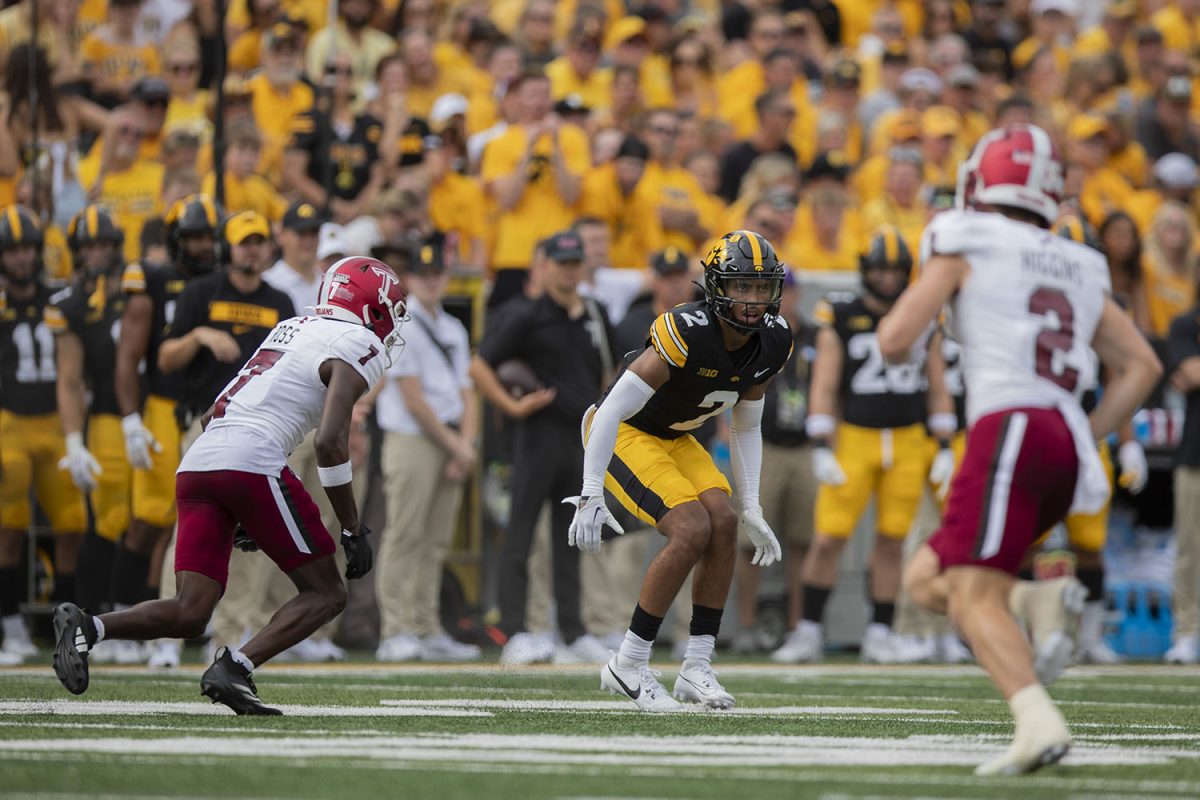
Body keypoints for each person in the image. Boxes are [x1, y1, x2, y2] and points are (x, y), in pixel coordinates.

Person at [877, 123, 1160, 775]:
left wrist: (942, 304)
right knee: (928, 580)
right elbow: (1141, 365)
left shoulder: (963, 235)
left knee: (974, 598)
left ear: (980, 180)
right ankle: (1038, 604)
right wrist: (1082, 434)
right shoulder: (1078, 258)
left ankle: (1036, 721)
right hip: (1059, 441)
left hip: (1008, 427)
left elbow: (894, 340)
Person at [51, 255, 405, 714]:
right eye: (390, 311)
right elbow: (331, 442)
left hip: (200, 459)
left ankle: (87, 628)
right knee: (327, 592)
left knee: (191, 610)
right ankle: (235, 667)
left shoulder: (291, 327)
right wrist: (353, 528)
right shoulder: (356, 340)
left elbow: (210, 412)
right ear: (370, 307)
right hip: (251, 459)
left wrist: (238, 505)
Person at [567, 230, 791, 712]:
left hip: (676, 435)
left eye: (760, 287)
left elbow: (745, 427)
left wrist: (750, 503)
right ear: (715, 287)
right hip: (624, 430)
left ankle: (696, 666)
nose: (752, 299)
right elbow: (608, 411)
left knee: (725, 523)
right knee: (690, 529)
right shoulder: (687, 329)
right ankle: (628, 663)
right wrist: (590, 491)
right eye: (741, 286)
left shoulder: (773, 340)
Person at [775, 227, 945, 665]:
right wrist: (820, 442)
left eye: (895, 270)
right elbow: (825, 382)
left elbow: (937, 382)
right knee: (829, 536)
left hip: (908, 438)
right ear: (866, 270)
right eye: (881, 269)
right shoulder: (842, 312)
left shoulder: (922, 313)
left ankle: (880, 632)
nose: (888, 278)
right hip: (855, 436)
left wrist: (944, 442)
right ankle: (809, 630)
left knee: (892, 540)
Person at [469, 230, 614, 666]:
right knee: (521, 533)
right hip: (537, 435)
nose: (569, 271)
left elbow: (606, 374)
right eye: (562, 263)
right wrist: (510, 407)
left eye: (575, 263)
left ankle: (572, 631)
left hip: (581, 438)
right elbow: (479, 365)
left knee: (573, 536)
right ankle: (514, 631)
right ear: (545, 265)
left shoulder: (595, 313)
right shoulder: (526, 315)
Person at [115, 193, 221, 669]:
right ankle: (121, 613)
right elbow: (129, 355)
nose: (202, 245)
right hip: (163, 406)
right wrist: (130, 417)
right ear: (177, 239)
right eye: (194, 236)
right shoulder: (154, 278)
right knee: (149, 519)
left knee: (183, 524)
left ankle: (165, 617)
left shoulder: (223, 282)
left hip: (206, 408)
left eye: (207, 236)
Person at [375, 243, 481, 663]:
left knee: (434, 541)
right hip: (412, 438)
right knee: (404, 534)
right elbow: (412, 398)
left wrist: (466, 445)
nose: (432, 280)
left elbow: (467, 391)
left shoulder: (453, 326)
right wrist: (458, 445)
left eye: (437, 273)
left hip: (449, 439)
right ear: (412, 280)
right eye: (424, 274)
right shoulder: (402, 325)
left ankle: (425, 625)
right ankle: (395, 630)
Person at [46, 206, 139, 663]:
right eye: (88, 245)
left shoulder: (137, 284)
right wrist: (73, 441)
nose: (96, 252)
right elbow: (69, 378)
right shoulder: (71, 303)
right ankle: (96, 617)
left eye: (103, 244)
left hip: (149, 412)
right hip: (104, 415)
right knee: (108, 522)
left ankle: (127, 615)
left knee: (148, 518)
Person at [0, 205, 88, 663]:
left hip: (57, 422)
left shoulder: (59, 299)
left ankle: (66, 622)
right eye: (11, 249)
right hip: (9, 422)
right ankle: (11, 626)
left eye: (27, 248)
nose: (20, 258)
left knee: (73, 525)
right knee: (9, 528)